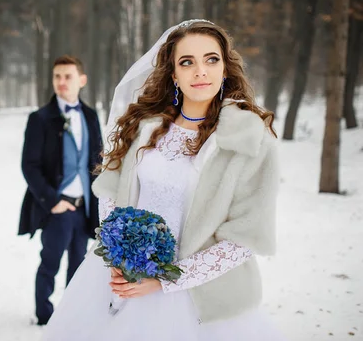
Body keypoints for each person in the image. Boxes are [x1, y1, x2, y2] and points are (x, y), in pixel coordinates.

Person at [41, 20, 286, 340]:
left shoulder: (251, 139)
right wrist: (119, 257)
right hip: (121, 281)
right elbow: (111, 191)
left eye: (211, 59)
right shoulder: (143, 126)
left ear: (225, 69)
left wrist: (165, 281)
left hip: (201, 298)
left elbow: (243, 239)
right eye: (187, 62)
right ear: (173, 73)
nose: (201, 71)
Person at [18, 55, 103, 326]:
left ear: (82, 80)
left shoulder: (90, 115)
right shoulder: (40, 119)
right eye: (57, 76)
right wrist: (52, 201)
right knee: (50, 262)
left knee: (79, 266)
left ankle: (70, 315)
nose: (61, 82)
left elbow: (96, 160)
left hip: (84, 206)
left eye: (67, 76)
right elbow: (29, 166)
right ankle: (44, 314)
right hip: (57, 206)